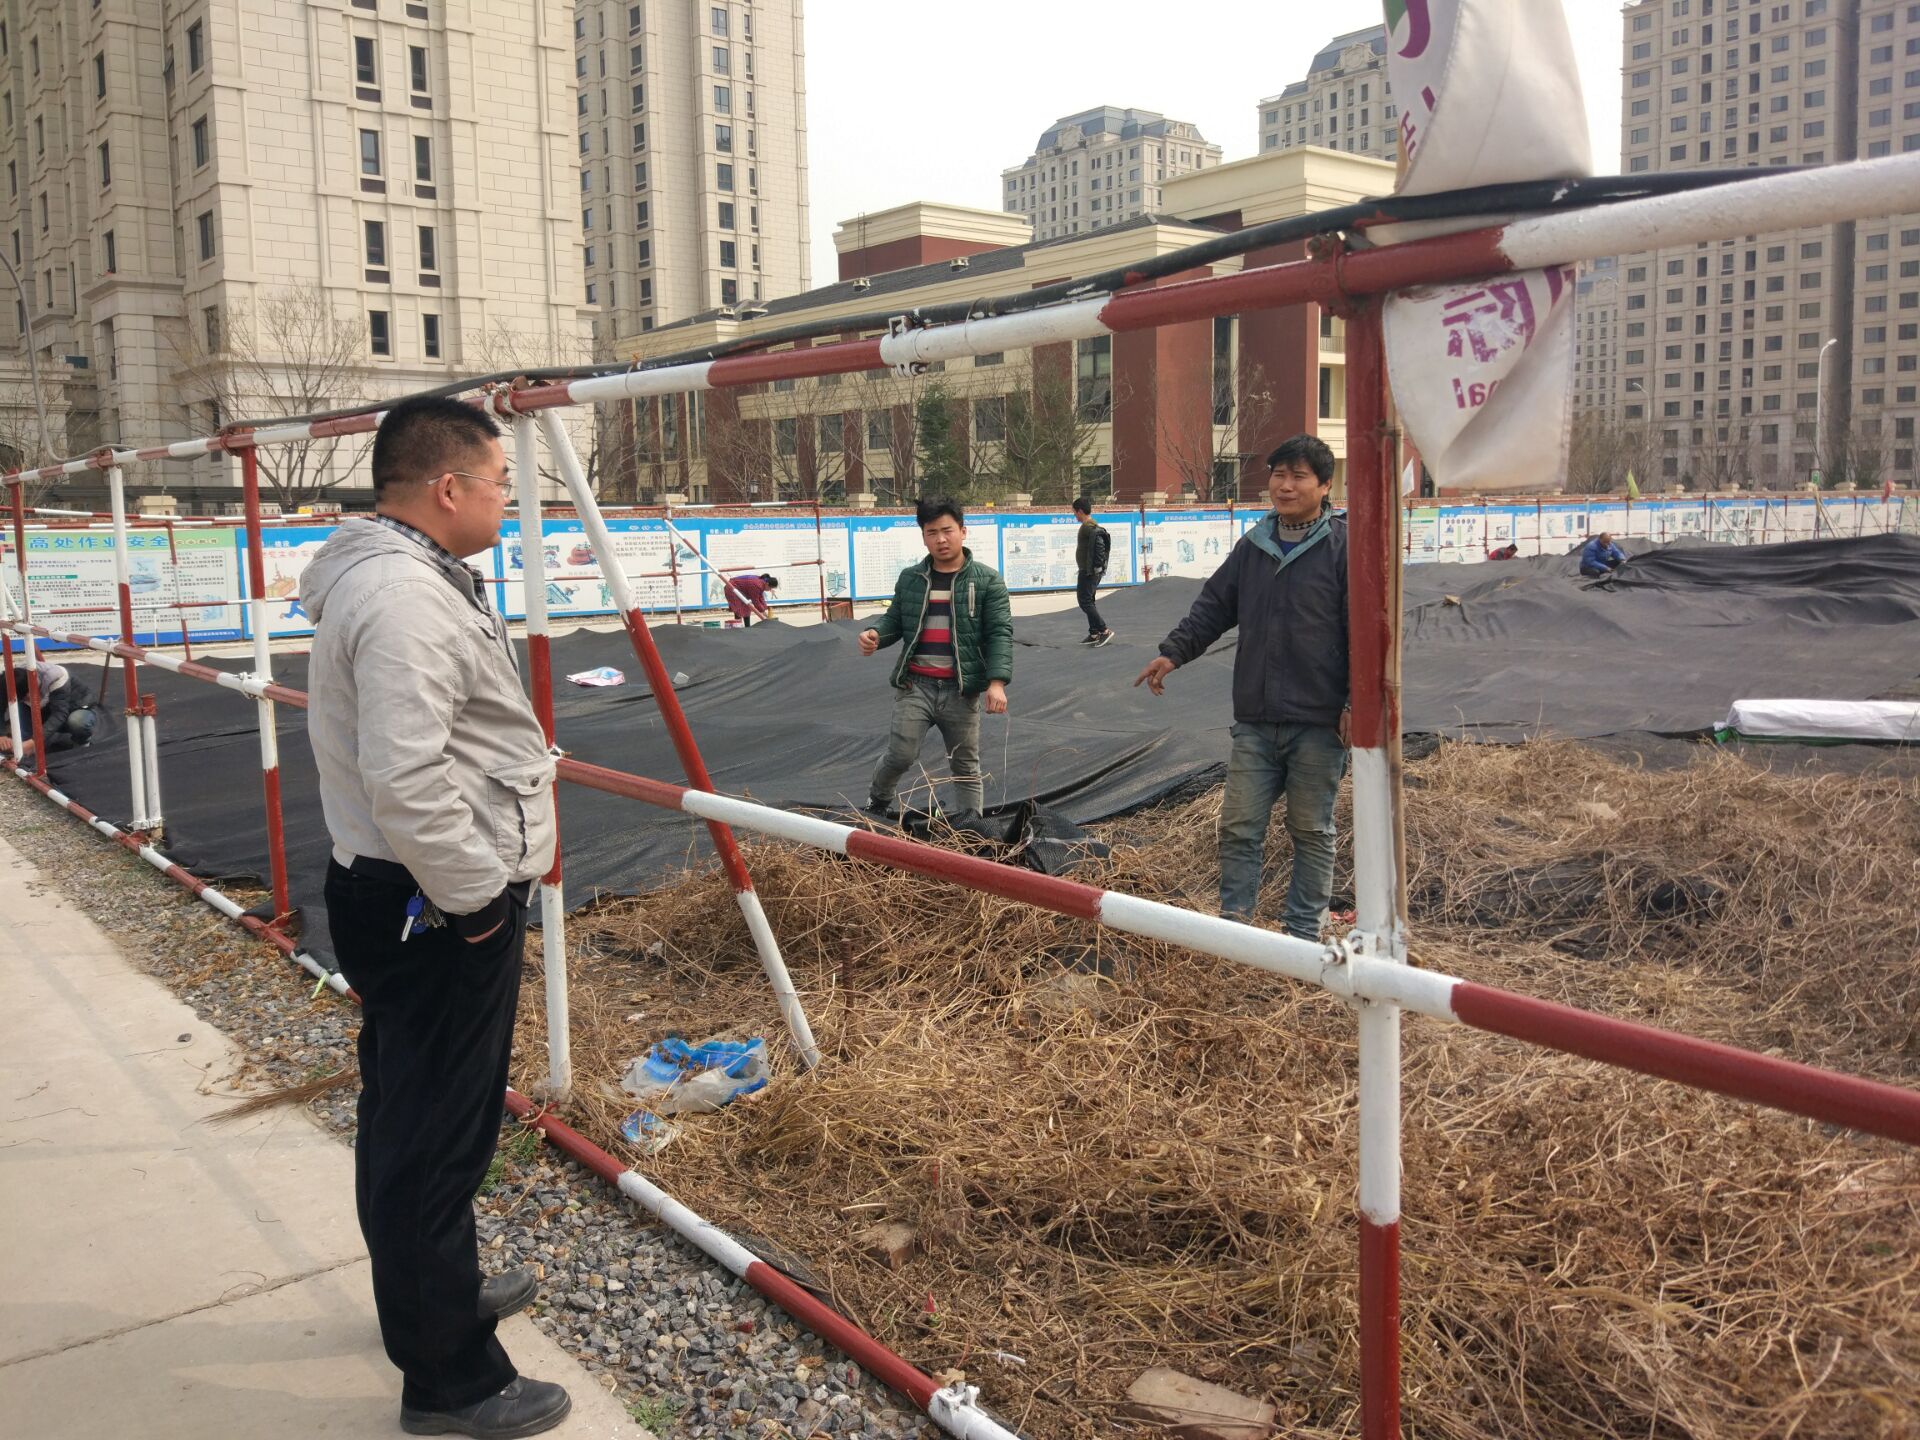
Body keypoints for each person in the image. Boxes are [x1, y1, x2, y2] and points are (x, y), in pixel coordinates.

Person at [302, 396, 570, 1439]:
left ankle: (430, 1293)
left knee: (406, 1111)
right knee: (435, 1137)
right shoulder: (407, 601)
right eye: (501, 480)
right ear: (448, 488)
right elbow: (408, 779)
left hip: (405, 893)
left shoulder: (400, 574)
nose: (508, 496)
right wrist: (477, 906)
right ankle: (450, 1378)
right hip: (433, 903)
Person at [1134, 435, 1350, 939]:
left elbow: (1365, 629)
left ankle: (1302, 935)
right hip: (1256, 718)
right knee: (1238, 826)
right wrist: (1174, 652)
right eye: (1279, 474)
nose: (1285, 485)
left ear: (1325, 486)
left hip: (1319, 720)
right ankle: (1237, 930)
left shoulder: (1343, 549)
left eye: (1299, 476)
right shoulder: (1255, 545)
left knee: (1310, 830)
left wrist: (1354, 702)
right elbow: (1214, 606)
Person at [859, 496, 1012, 818]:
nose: (941, 539)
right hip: (916, 686)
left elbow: (999, 633)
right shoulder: (911, 578)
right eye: (932, 532)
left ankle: (971, 827)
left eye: (947, 530)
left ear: (963, 531)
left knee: (965, 765)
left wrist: (996, 683)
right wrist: (876, 634)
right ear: (924, 537)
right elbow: (895, 621)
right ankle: (877, 802)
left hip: (961, 691)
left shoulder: (987, 580)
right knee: (900, 755)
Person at [0, 658, 96, 760]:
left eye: (27, 696)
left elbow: (59, 714)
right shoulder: (10, 680)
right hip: (45, 707)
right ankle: (27, 743)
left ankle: (82, 742)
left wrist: (34, 741)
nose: (28, 699)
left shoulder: (56, 676)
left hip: (73, 706)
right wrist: (1, 735)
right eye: (24, 698)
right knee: (24, 744)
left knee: (77, 721)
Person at [1072, 497, 1115, 646]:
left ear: (1080, 511)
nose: (1074, 515)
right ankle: (1094, 633)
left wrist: (1096, 567)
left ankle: (1104, 630)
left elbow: (1100, 544)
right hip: (1088, 570)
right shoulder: (1089, 525)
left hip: (1089, 572)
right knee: (1089, 601)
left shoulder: (1088, 527)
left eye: (1074, 512)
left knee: (1084, 601)